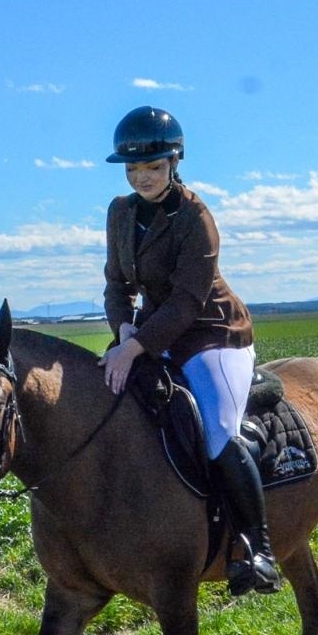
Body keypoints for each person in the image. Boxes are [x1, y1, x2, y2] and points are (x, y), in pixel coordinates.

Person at [99, 106, 283, 595]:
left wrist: (136, 345)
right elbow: (117, 286)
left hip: (211, 332)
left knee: (219, 431)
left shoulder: (195, 216)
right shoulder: (120, 213)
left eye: (153, 168)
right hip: (149, 331)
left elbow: (187, 300)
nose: (142, 178)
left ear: (174, 161)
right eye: (134, 169)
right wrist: (121, 335)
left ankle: (258, 549)